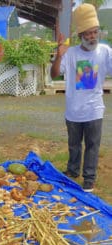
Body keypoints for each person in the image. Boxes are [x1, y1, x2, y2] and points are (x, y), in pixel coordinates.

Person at [50, 3, 112, 193]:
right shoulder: (70, 54)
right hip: (73, 111)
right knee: (74, 146)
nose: (92, 36)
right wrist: (58, 57)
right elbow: (53, 75)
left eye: (95, 32)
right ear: (80, 36)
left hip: (94, 110)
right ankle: (73, 170)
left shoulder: (105, 52)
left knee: (92, 146)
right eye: (88, 33)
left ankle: (89, 178)